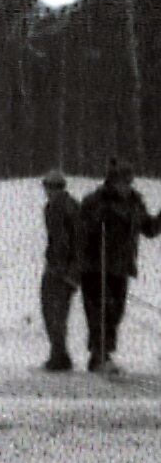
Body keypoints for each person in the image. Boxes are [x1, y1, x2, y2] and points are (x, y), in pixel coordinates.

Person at [77, 158, 158, 372]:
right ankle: (99, 356)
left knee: (116, 313)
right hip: (96, 267)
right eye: (121, 182)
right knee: (100, 311)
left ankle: (103, 354)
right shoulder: (95, 201)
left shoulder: (135, 202)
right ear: (111, 182)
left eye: (128, 181)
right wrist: (95, 224)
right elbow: (82, 231)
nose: (125, 186)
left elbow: (149, 229)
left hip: (121, 267)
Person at [40, 169, 89, 373]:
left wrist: (74, 272)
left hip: (65, 271)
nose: (48, 191)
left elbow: (80, 243)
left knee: (57, 314)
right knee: (49, 311)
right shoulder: (52, 207)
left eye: (52, 187)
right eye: (47, 187)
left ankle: (59, 357)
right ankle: (58, 353)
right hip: (54, 267)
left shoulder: (69, 208)